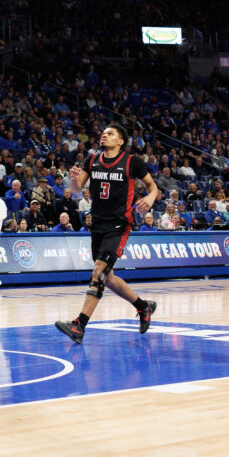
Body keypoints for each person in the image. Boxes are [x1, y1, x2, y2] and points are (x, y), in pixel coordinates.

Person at [56, 125, 159, 343]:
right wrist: (73, 179)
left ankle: (79, 325)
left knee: (98, 272)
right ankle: (143, 307)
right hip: (98, 224)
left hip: (120, 224)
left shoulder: (132, 162)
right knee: (108, 277)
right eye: (103, 132)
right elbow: (75, 190)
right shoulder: (92, 160)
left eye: (111, 133)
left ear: (121, 141)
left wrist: (150, 198)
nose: (104, 135)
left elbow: (153, 187)